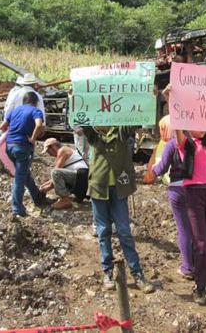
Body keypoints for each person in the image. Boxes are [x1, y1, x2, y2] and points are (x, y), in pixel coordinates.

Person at [82, 125, 155, 294]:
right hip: (99, 188)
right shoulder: (93, 134)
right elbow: (81, 118)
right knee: (103, 230)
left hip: (119, 189)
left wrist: (152, 99)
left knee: (124, 231)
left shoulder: (121, 131)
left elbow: (135, 120)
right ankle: (107, 272)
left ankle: (137, 273)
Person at [174, 126, 206, 305]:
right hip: (193, 194)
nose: (203, 128)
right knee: (200, 242)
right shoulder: (185, 143)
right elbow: (177, 126)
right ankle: (201, 285)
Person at [145, 117, 194, 282]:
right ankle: (202, 264)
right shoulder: (197, 142)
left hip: (179, 190)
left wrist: (152, 167)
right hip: (198, 189)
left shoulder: (172, 144)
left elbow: (160, 169)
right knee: (198, 227)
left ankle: (188, 267)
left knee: (184, 229)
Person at [0, 91, 47, 217]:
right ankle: (17, 208)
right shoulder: (36, 111)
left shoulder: (15, 111)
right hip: (22, 148)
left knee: (24, 173)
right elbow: (39, 125)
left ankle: (37, 197)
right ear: (36, 102)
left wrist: (12, 135)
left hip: (9, 147)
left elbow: (2, 126)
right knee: (19, 178)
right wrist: (33, 138)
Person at [39, 137, 89, 209]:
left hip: (82, 177)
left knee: (55, 172)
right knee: (57, 174)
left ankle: (65, 200)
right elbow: (56, 180)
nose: (49, 154)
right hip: (81, 180)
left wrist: (46, 188)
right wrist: (44, 186)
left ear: (53, 146)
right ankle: (74, 197)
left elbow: (56, 171)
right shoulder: (65, 152)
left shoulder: (63, 150)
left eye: (48, 151)